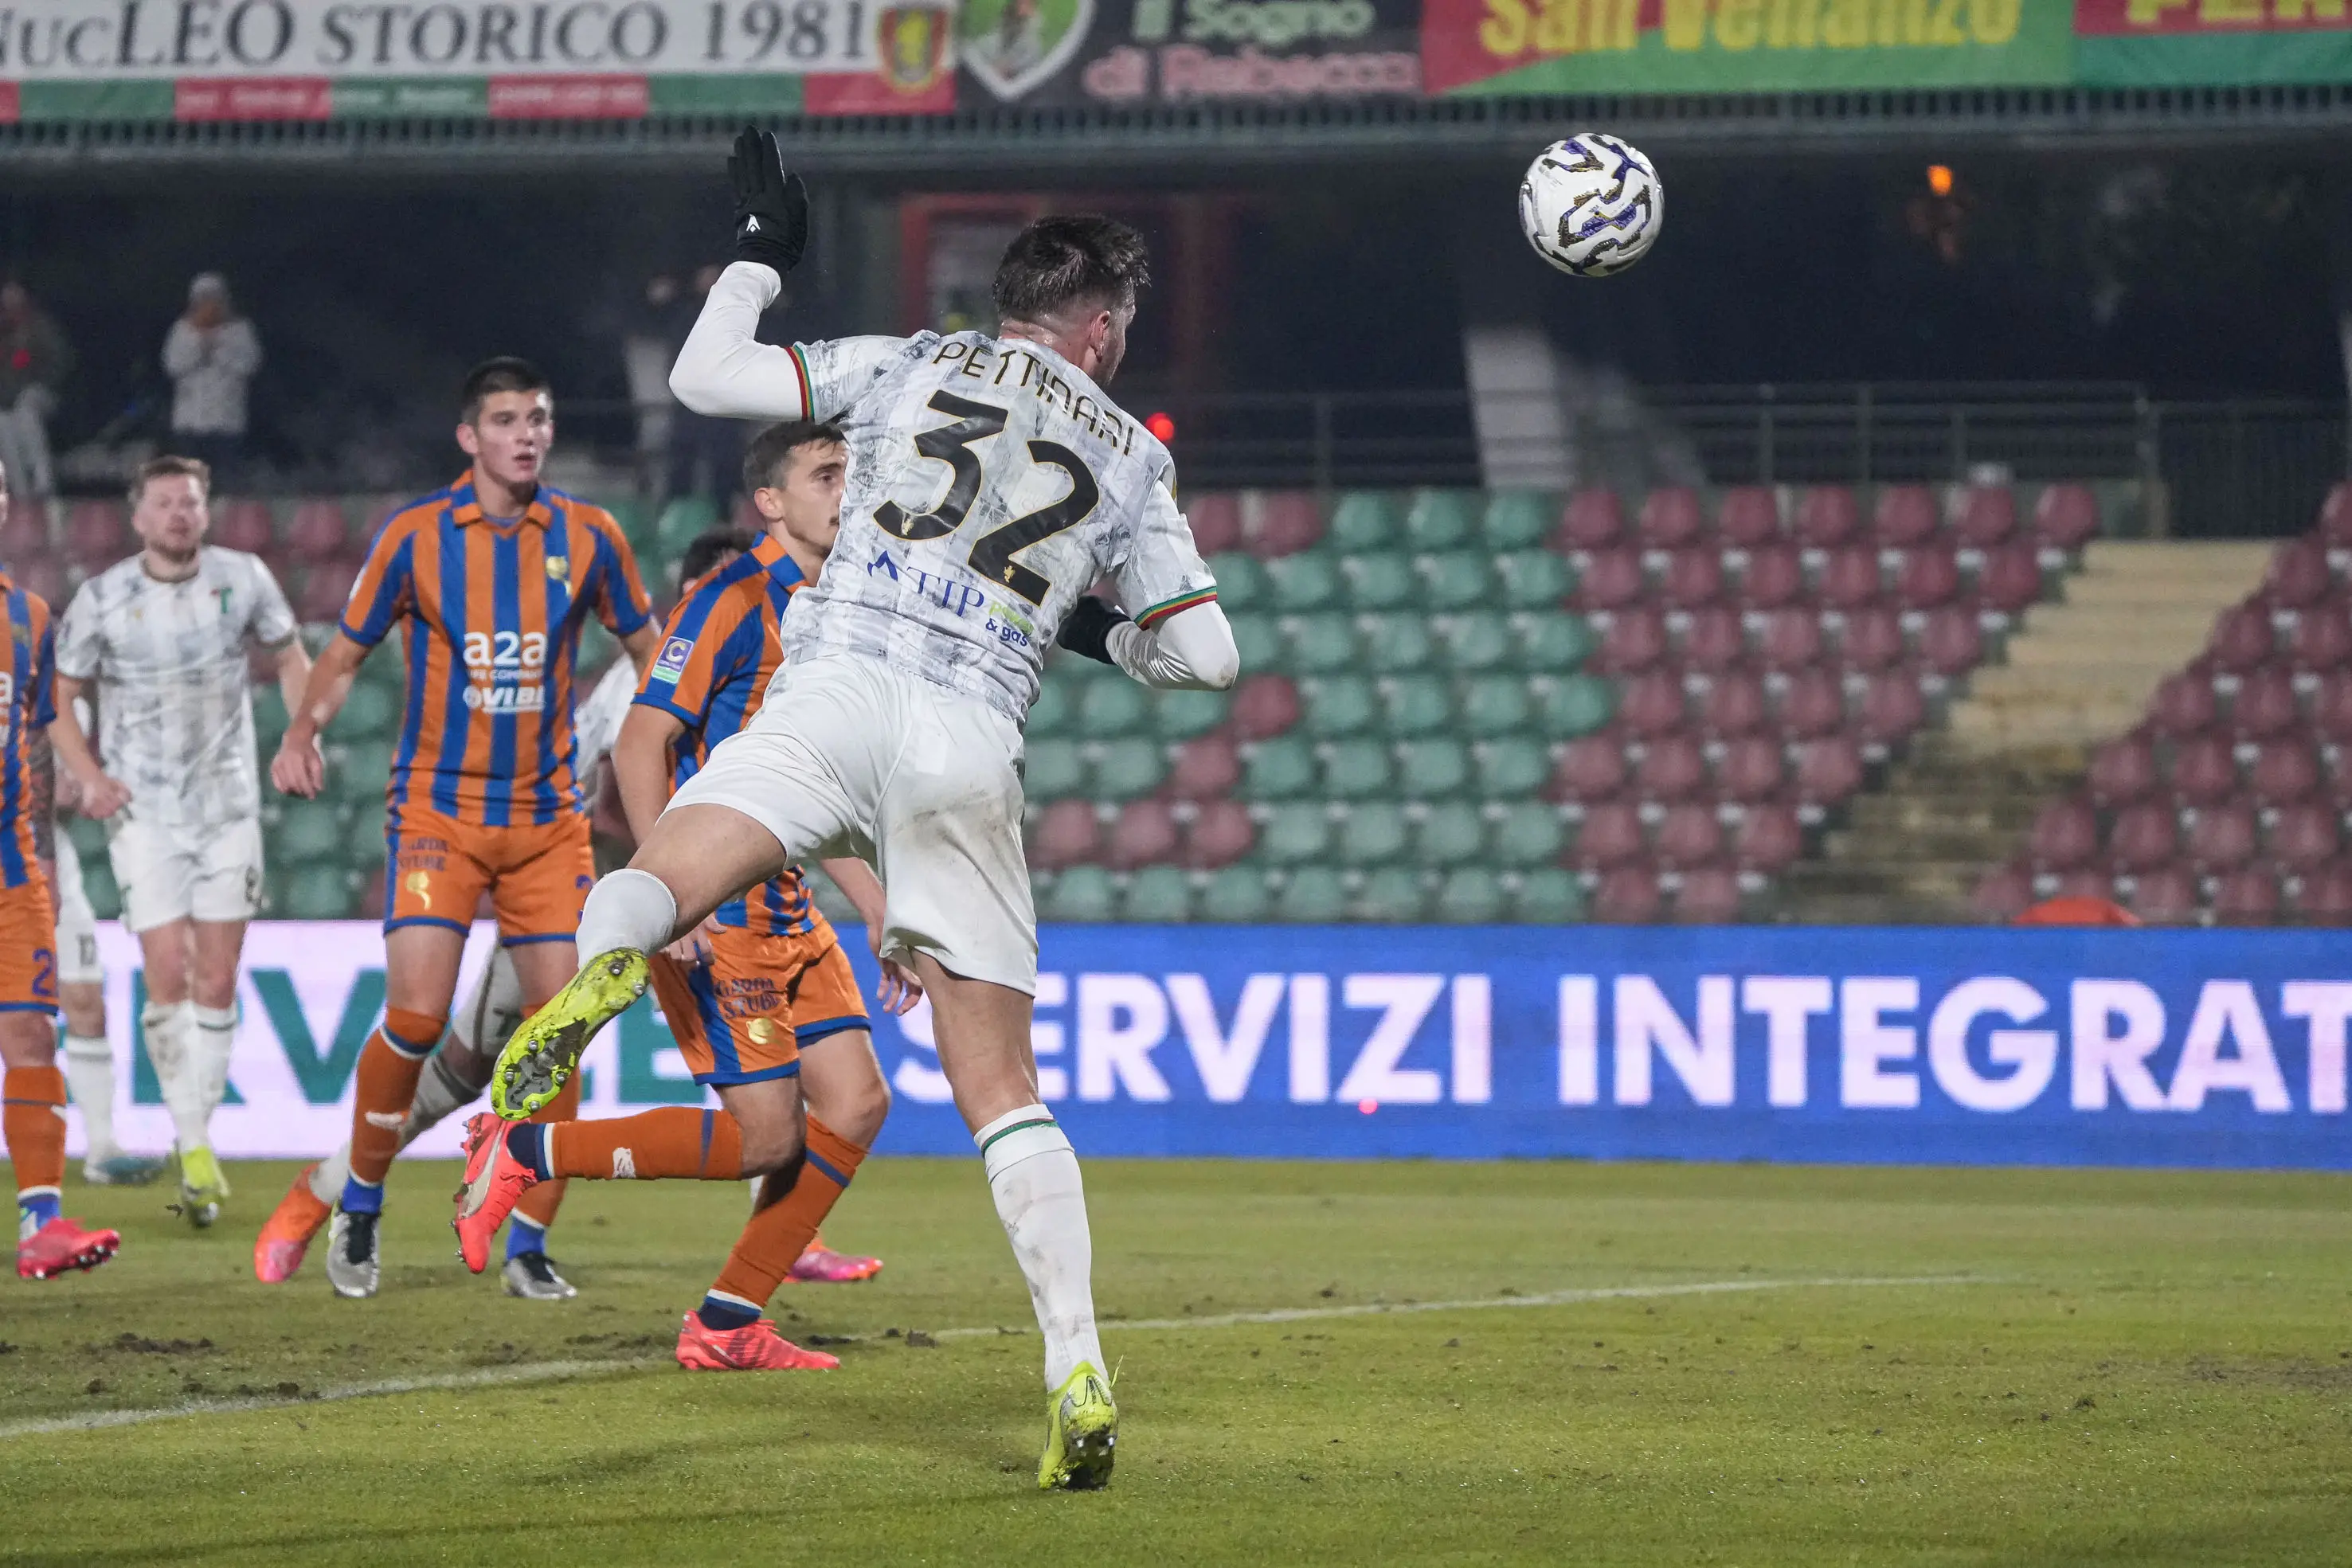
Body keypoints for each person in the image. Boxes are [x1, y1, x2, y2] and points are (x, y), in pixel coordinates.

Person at [479, 131, 1237, 1489]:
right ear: (1103, 328)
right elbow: (1206, 656)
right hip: (961, 733)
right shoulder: (1127, 449)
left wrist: (763, 254)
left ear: (1006, 301)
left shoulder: (910, 361)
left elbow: (703, 375)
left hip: (830, 688)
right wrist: (1098, 637)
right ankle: (1074, 1361)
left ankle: (595, 979)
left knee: (660, 871)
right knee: (1000, 1088)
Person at [456, 422, 916, 1371]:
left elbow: (813, 784)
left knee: (860, 1101)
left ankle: (726, 1320)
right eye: (826, 474)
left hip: (788, 894)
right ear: (772, 502)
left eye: (854, 474)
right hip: (722, 906)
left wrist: (873, 902)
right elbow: (638, 742)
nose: (847, 490)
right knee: (766, 1139)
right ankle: (526, 1155)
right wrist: (678, 902)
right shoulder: (732, 597)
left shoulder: (842, 607)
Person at [270, 357, 658, 1300]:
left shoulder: (589, 534)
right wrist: (300, 730)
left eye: (539, 416)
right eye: (506, 419)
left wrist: (675, 737)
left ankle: (527, 1241)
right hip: (440, 814)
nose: (526, 433)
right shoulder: (415, 536)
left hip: (546, 821)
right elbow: (347, 652)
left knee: (558, 1032)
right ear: (468, 437)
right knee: (413, 1017)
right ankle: (361, 1201)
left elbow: (649, 652)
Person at [252, 647, 644, 1298]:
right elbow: (607, 798)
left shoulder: (780, 660)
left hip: (697, 900)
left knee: (753, 1052)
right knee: (470, 1067)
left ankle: (529, 1248)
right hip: (592, 884)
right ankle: (326, 1186)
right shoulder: (653, 668)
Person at [48, 455, 308, 1229]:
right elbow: (58, 696)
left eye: (190, 502)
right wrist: (88, 775)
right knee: (169, 971)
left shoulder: (245, 577)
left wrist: (302, 731)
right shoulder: (104, 598)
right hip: (146, 813)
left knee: (219, 978)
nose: (179, 515)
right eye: (164, 503)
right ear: (138, 517)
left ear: (205, 509)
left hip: (228, 805)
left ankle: (197, 1133)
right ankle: (194, 1143)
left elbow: (292, 654)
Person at [0, 456, 120, 1279]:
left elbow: (35, 745)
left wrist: (39, 847)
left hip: (12, 870)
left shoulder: (28, 618)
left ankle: (41, 1219)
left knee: (33, 1031)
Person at [53, 747, 166, 1187]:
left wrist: (78, 791)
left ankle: (102, 1147)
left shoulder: (63, 700)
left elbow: (71, 791)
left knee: (85, 1000)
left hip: (48, 858)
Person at [162, 275, 262, 486]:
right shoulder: (182, 330)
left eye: (214, 298)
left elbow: (249, 365)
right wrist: (200, 348)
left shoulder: (240, 330)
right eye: (203, 298)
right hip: (190, 421)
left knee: (228, 479)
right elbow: (173, 366)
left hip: (227, 420)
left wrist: (219, 351)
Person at [0, 280, 72, 499]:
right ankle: (19, 487)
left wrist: (33, 372)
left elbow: (61, 363)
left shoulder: (42, 327)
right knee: (4, 423)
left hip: (42, 392)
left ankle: (44, 480)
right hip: (7, 400)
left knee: (27, 412)